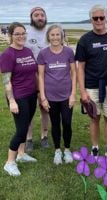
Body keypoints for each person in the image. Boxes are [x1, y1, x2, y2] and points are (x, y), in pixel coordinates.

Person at [75, 4, 107, 161]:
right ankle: (95, 148)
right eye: (95, 18)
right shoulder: (85, 40)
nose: (98, 20)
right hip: (91, 85)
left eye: (101, 17)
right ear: (91, 19)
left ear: (106, 18)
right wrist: (82, 91)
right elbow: (80, 67)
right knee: (94, 118)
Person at [0, 22, 37, 176]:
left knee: (26, 124)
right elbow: (6, 81)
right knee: (21, 130)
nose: (21, 36)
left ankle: (21, 155)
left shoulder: (28, 51)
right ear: (11, 36)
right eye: (17, 34)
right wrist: (12, 100)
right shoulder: (7, 54)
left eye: (23, 33)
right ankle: (10, 162)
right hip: (18, 96)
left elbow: (33, 72)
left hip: (31, 94)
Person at [38, 24, 76, 165]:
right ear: (48, 36)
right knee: (55, 124)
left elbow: (74, 73)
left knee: (67, 123)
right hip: (50, 97)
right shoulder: (43, 53)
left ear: (62, 36)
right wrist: (43, 97)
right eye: (52, 35)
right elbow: (40, 76)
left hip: (66, 96)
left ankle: (67, 149)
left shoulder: (68, 52)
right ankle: (57, 151)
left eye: (57, 34)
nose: (55, 37)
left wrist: (73, 94)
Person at [25, 7, 49, 151]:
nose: (39, 17)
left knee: (44, 107)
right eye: (36, 15)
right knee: (28, 109)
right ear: (31, 17)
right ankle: (28, 138)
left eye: (42, 15)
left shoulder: (51, 32)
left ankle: (44, 136)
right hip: (29, 76)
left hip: (47, 76)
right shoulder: (26, 33)